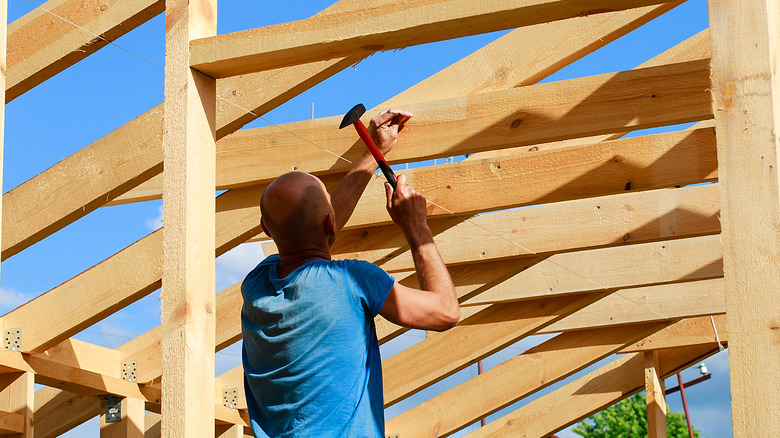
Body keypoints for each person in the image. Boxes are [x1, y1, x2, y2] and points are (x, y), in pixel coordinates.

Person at [241, 108, 459, 437]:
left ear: (266, 230)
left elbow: (316, 229)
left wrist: (374, 152)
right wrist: (416, 228)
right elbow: (445, 312)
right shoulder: (353, 281)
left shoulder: (257, 285)